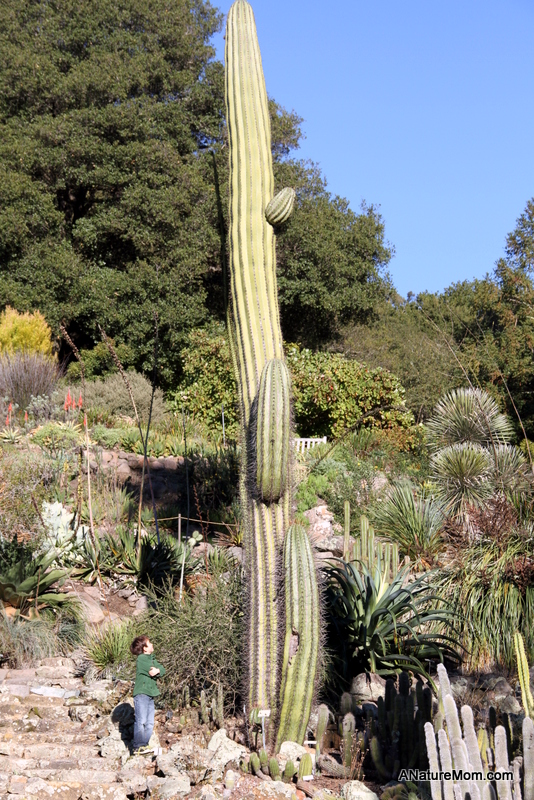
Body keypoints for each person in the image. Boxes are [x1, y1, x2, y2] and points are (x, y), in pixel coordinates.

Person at [130, 635, 165, 754]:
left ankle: (144, 745)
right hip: (142, 694)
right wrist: (156, 670)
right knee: (141, 720)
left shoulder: (152, 659)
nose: (152, 645)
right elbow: (151, 672)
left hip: (150, 694)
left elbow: (162, 669)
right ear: (144, 648)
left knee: (150, 722)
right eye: (149, 643)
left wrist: (158, 670)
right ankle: (138, 746)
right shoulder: (141, 659)